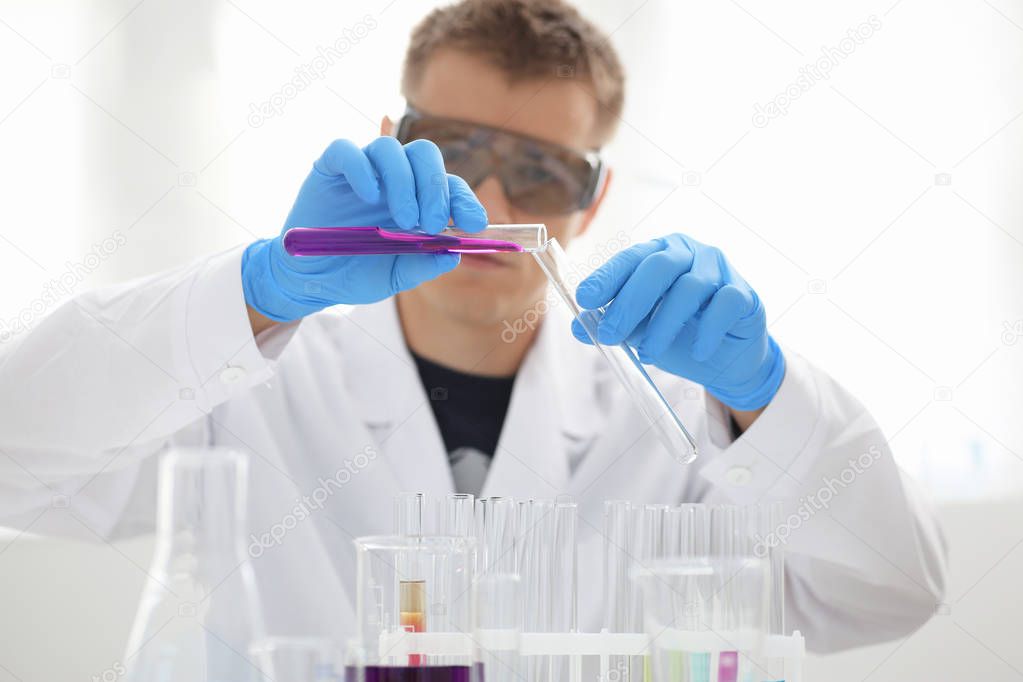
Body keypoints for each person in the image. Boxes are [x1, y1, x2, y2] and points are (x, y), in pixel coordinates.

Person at [0, 0, 944, 655]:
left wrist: (766, 399)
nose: (489, 200)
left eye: (538, 171)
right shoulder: (244, 378)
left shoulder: (681, 422)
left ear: (592, 194)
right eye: (452, 153)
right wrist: (259, 291)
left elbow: (887, 594)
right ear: (391, 137)